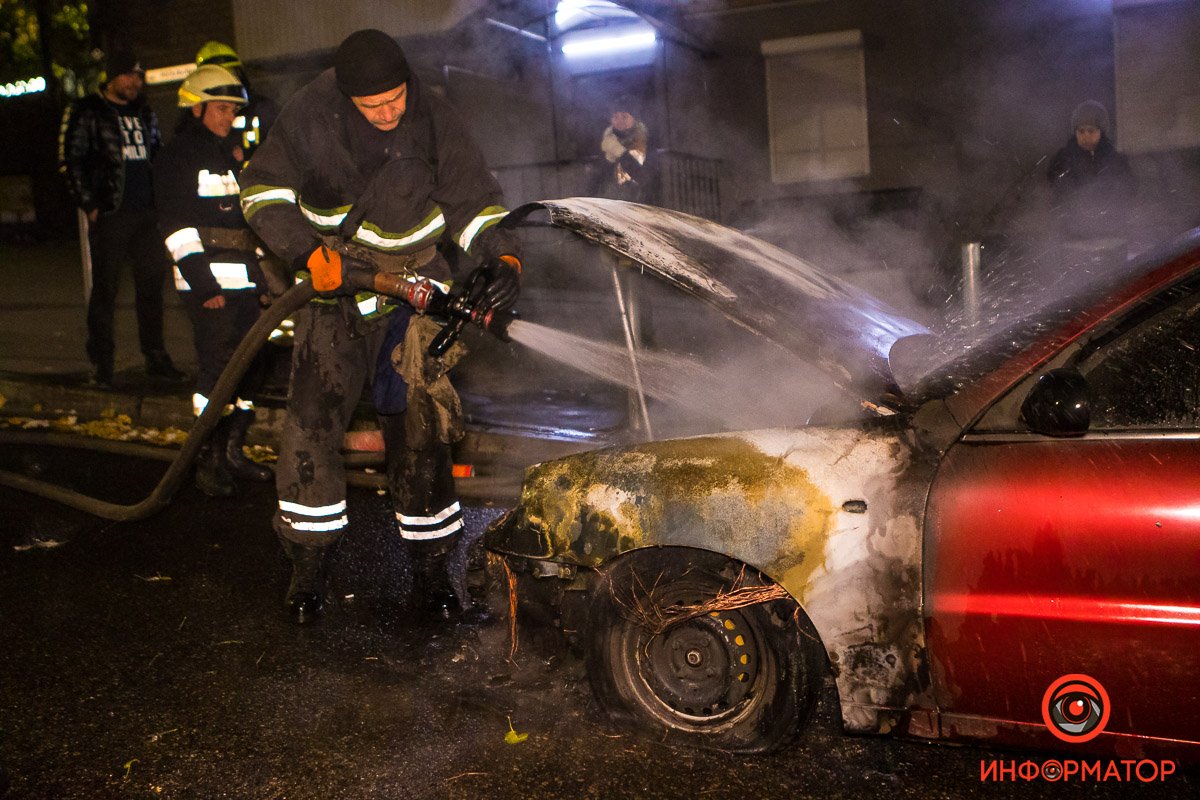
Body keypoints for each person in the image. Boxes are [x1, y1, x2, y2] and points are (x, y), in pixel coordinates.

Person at [239, 29, 522, 623]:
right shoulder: (310, 116)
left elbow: (476, 202)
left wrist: (504, 255)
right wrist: (303, 252)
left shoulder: (433, 117)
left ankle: (431, 570)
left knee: (419, 426)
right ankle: (309, 566)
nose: (391, 112)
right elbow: (262, 192)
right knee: (313, 422)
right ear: (346, 100)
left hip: (412, 294)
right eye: (375, 106)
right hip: (331, 290)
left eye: (397, 98)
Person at [153, 65, 274, 498]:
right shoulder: (177, 157)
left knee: (252, 367)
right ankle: (206, 459)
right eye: (222, 109)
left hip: (243, 278)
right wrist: (203, 285)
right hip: (210, 284)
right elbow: (177, 228)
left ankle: (232, 451)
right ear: (198, 108)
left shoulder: (231, 155)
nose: (229, 117)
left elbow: (246, 228)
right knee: (218, 369)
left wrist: (262, 283)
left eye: (233, 110)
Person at [59, 46, 186, 388]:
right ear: (112, 77)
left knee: (151, 289)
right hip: (112, 213)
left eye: (139, 76)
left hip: (147, 213)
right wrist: (91, 204)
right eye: (129, 74)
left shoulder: (144, 111)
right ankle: (102, 362)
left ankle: (156, 356)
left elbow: (156, 156)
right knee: (105, 291)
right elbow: (70, 159)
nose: (135, 82)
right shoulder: (88, 111)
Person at [1046, 100, 1136, 271]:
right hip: (1076, 242)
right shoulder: (1064, 159)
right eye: (1081, 131)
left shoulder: (1114, 158)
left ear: (1101, 131)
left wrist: (1109, 209)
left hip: (1112, 240)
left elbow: (1128, 189)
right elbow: (1062, 193)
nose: (1085, 136)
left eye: (1091, 131)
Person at [194, 41, 279, 166]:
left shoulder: (263, 107)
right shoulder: (195, 117)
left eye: (230, 73)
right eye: (216, 77)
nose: (226, 82)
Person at [598, 96, 656, 203]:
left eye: (624, 117)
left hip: (640, 203)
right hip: (610, 203)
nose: (620, 122)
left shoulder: (644, 140)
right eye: (615, 117)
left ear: (634, 119)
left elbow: (644, 177)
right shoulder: (608, 141)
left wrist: (620, 152)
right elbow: (599, 178)